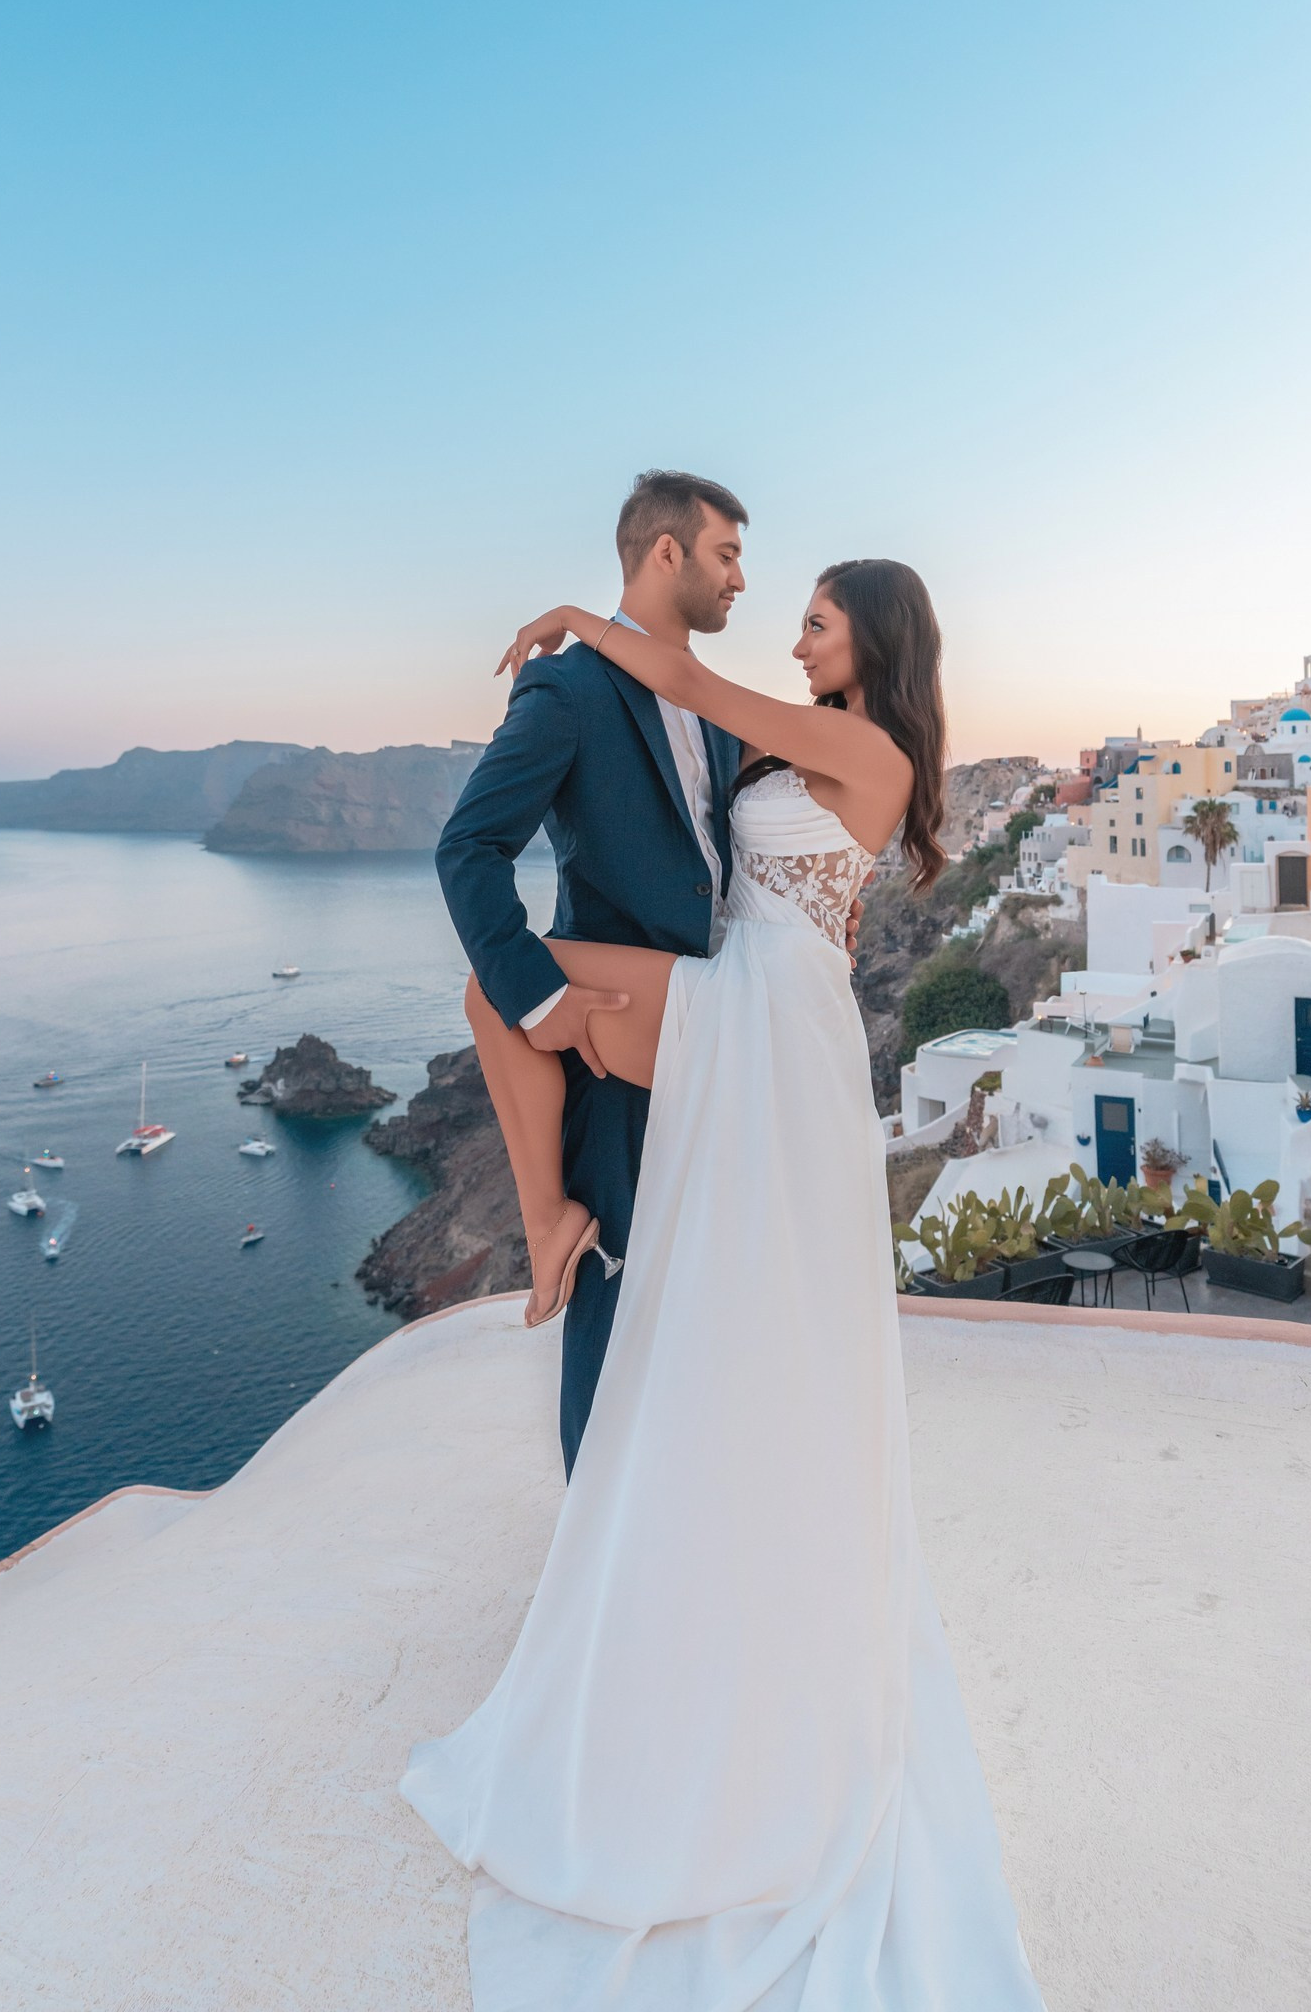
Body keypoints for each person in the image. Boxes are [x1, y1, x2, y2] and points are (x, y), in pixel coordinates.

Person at [404, 547, 1046, 2007]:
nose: (798, 630)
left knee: (503, 996)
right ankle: (554, 1212)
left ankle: (559, 1218)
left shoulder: (863, 744)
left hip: (765, 1023)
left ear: (868, 638)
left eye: (817, 617)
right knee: (503, 993)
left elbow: (684, 677)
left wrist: (582, 619)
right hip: (753, 1005)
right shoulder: (813, 750)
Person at [434, 469, 753, 1472]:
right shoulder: (568, 691)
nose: (741, 580)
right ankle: (593, 1577)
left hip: (721, 1039)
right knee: (610, 1324)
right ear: (668, 552)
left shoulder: (720, 709)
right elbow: (467, 849)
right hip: (615, 1056)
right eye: (728, 554)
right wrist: (544, 1000)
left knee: (707, 1314)